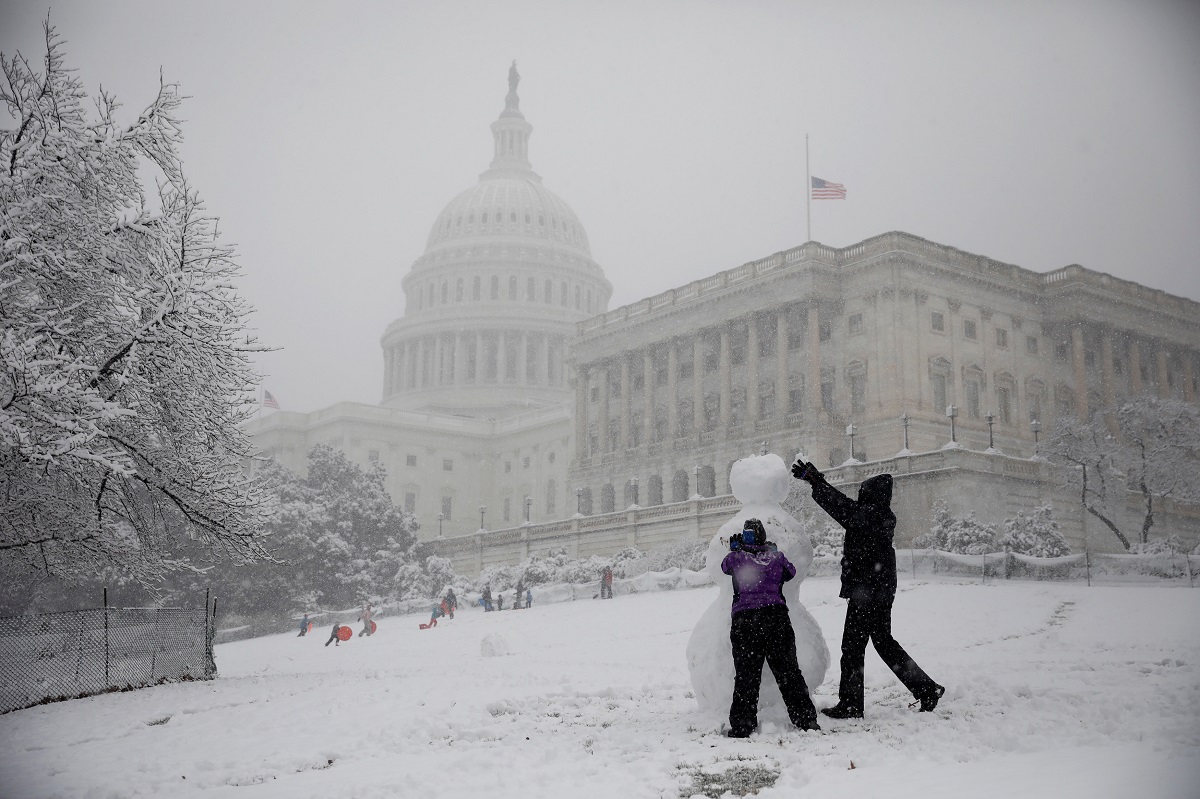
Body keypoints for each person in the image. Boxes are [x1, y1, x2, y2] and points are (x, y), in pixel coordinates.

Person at [792, 459, 945, 718]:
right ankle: (926, 688)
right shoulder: (881, 516)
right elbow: (848, 510)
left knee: (852, 647)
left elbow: (842, 508)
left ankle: (851, 704)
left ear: (871, 496)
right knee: (883, 642)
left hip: (868, 592)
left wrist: (817, 482)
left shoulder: (871, 516)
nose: (860, 498)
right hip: (879, 590)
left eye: (863, 494)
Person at [721, 518, 821, 737]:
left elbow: (724, 567)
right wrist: (769, 551)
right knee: (789, 672)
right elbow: (791, 572)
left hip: (745, 622)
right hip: (776, 619)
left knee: (746, 675)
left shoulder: (736, 558)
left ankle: (742, 725)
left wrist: (739, 549)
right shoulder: (776, 558)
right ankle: (806, 720)